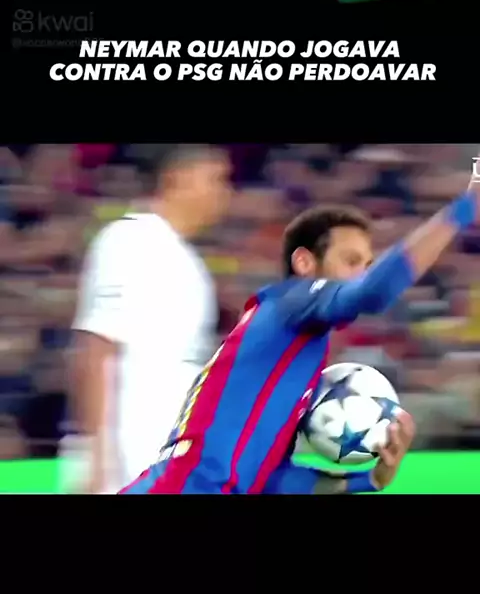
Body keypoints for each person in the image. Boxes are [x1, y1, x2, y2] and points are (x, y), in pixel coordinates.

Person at [121, 177, 480, 495]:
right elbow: (375, 291)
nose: (361, 275)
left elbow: (274, 481)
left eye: (367, 265)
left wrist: (370, 479)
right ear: (304, 263)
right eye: (351, 261)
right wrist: (466, 208)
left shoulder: (296, 350)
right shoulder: (289, 302)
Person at [65, 144, 232, 494]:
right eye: (216, 179)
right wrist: (95, 454)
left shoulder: (187, 259)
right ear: (178, 179)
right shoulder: (130, 240)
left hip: (171, 457)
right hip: (125, 458)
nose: (225, 192)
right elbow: (95, 348)